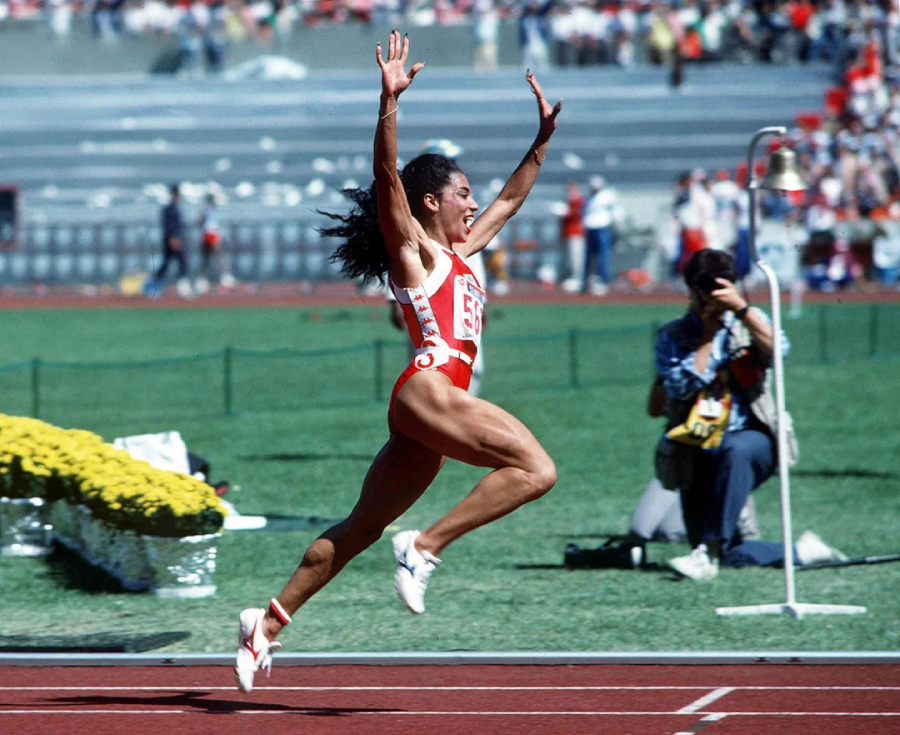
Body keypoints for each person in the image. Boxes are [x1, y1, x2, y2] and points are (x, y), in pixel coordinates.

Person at [235, 31, 561, 692]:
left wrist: (542, 138)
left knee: (360, 527)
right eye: (463, 192)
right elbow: (388, 178)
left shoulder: (467, 252)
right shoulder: (414, 251)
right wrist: (388, 103)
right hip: (429, 384)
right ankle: (424, 546)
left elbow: (513, 198)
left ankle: (263, 624)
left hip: (431, 409)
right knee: (536, 468)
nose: (474, 202)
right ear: (431, 203)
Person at [655, 249, 845, 580]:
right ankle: (801, 551)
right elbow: (679, 386)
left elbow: (778, 350)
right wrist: (708, 336)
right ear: (690, 291)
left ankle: (708, 551)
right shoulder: (674, 336)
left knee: (736, 449)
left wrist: (741, 310)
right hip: (696, 449)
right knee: (730, 555)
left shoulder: (751, 320)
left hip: (753, 440)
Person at [582, 175, 623, 296]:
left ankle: (603, 281)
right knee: (588, 257)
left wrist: (616, 226)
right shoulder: (588, 196)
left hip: (603, 228)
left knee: (603, 257)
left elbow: (616, 212)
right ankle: (586, 281)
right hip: (590, 229)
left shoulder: (607, 196)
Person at [151, 183, 191, 298]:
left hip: (172, 239)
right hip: (172, 240)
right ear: (175, 195)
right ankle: (181, 288)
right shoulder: (170, 209)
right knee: (179, 263)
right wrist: (174, 239)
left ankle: (156, 287)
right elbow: (169, 225)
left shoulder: (173, 208)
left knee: (168, 264)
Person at [560, 179, 586, 293]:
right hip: (568, 233)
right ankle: (572, 277)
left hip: (576, 233)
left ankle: (577, 278)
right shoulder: (569, 200)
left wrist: (566, 212)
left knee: (576, 258)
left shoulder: (578, 199)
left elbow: (577, 214)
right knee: (569, 258)